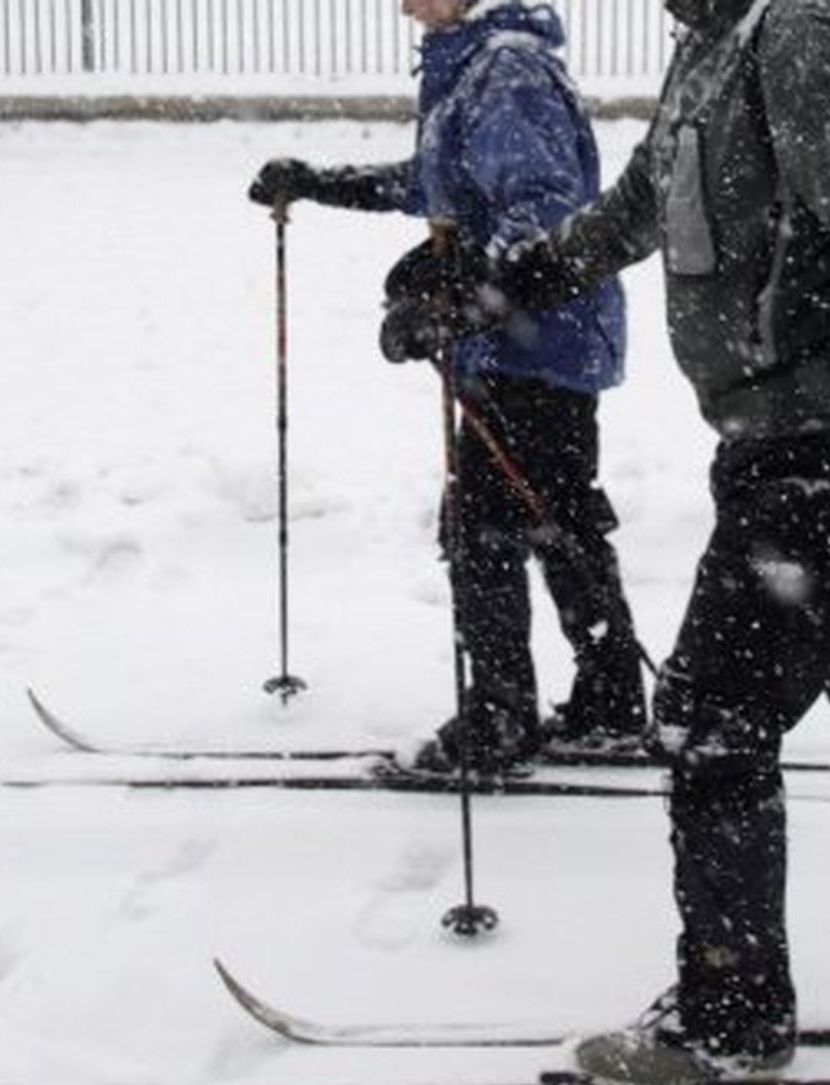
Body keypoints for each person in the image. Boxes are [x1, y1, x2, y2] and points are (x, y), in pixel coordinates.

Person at [385, 0, 830, 1083]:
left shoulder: (797, 33)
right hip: (791, 434)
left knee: (712, 719)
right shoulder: (712, 44)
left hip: (827, 440)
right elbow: (633, 210)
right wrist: (495, 291)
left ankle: (730, 1017)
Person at [247, 0, 647, 773]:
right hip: (522, 339)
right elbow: (439, 184)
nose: (402, 4)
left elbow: (543, 210)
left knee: (492, 526)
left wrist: (463, 291)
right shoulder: (468, 63)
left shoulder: (507, 70)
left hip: (539, 339)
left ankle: (505, 714)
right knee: (552, 516)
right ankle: (607, 699)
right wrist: (322, 183)